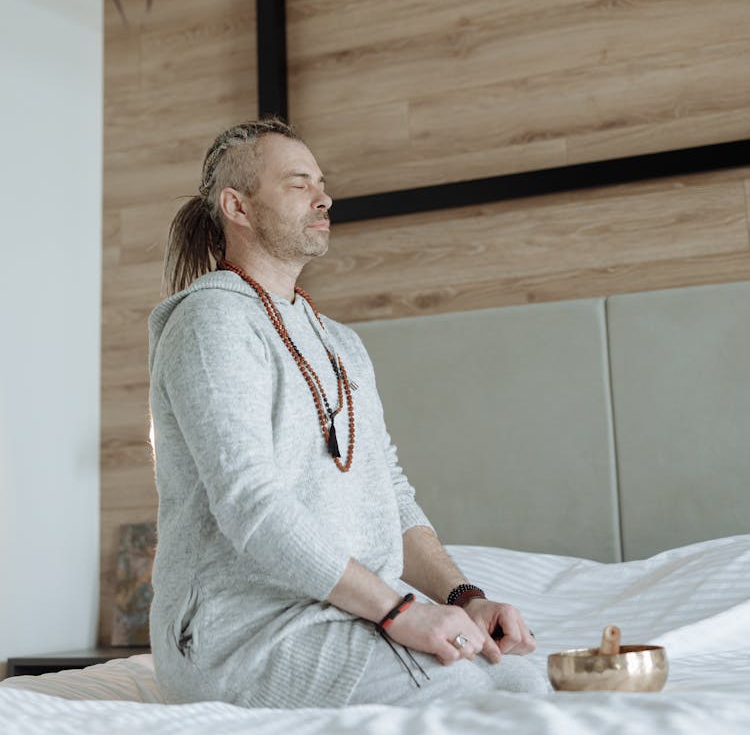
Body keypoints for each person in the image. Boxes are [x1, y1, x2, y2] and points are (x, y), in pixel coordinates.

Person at [148, 118, 546, 709]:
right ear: (238, 206)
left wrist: (463, 597)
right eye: (298, 183)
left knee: (523, 682)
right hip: (241, 635)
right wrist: (399, 611)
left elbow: (389, 490)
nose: (324, 196)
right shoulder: (211, 324)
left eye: (323, 182)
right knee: (473, 698)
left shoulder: (339, 343)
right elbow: (250, 504)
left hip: (345, 616)